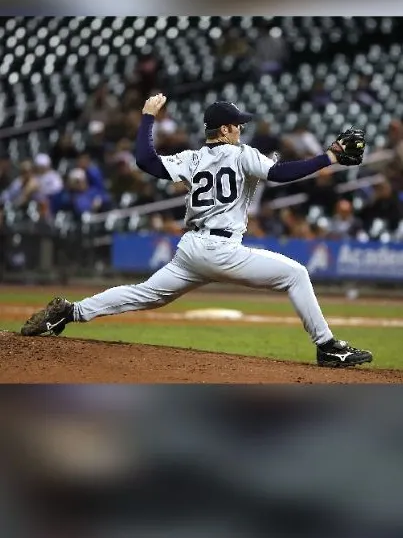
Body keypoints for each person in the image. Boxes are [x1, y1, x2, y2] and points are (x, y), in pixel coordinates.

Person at [21, 97, 371, 368]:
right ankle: (327, 347)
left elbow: (145, 160)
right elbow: (281, 174)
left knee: (146, 294)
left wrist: (147, 116)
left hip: (191, 248)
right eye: (235, 126)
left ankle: (71, 311)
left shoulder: (192, 158)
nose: (240, 130)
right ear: (223, 130)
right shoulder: (241, 154)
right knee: (295, 274)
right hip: (221, 249)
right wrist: (331, 156)